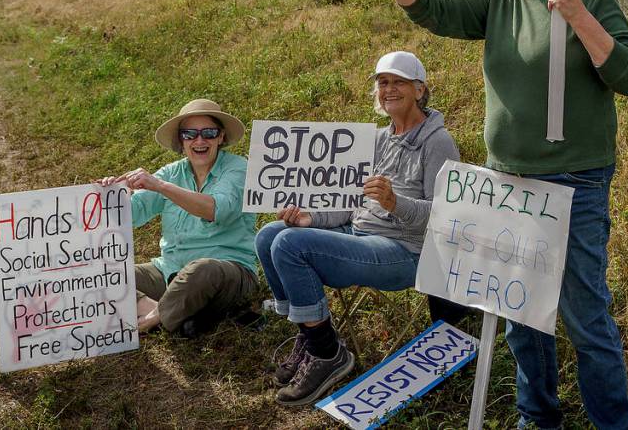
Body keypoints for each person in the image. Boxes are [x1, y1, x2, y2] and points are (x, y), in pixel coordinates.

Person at [355, 0, 628, 430]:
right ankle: (538, 417)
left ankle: (613, 422)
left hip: (575, 182)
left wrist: (577, 12)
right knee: (521, 315)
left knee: (584, 317)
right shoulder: (501, 1)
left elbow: (627, 76)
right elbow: (435, 11)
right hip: (508, 182)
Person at [255, 51, 460, 406]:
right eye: (383, 83)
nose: (389, 89)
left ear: (420, 89)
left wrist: (397, 203)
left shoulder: (437, 142)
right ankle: (310, 334)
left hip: (404, 252)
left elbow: (448, 216)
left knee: (289, 245)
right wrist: (311, 218)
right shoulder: (377, 139)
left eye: (399, 82)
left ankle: (326, 353)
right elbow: (349, 201)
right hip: (357, 235)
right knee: (269, 235)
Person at [95, 99, 258, 337]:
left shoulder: (238, 168)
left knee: (203, 269)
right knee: (103, 276)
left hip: (226, 270)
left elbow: (216, 209)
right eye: (190, 134)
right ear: (181, 141)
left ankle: (155, 319)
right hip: (170, 271)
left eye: (209, 133)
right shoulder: (172, 172)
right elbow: (133, 215)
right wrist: (114, 196)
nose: (199, 141)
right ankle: (174, 314)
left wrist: (161, 186)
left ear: (221, 137)